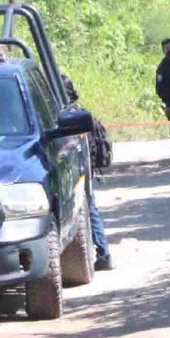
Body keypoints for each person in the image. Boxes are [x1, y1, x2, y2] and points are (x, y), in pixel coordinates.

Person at [61, 74, 114, 271]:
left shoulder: (68, 117)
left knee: (88, 209)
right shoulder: (81, 113)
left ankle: (103, 253)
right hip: (86, 169)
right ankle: (104, 253)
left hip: (78, 171)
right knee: (91, 210)